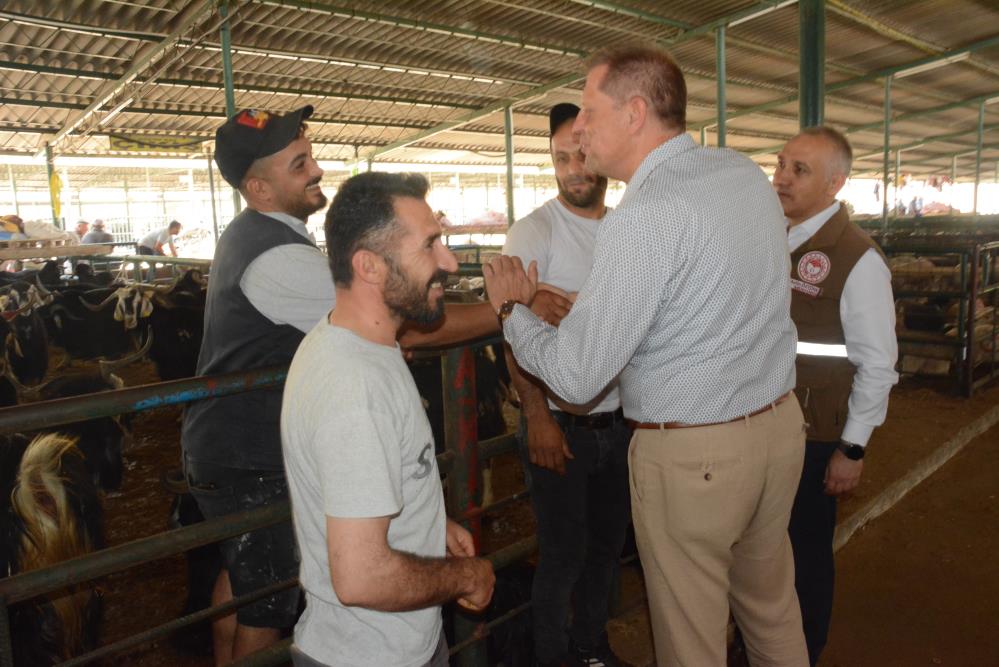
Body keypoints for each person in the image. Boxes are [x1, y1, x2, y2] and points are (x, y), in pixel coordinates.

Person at [482, 46, 808, 666]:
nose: (579, 127)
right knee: (770, 610)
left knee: (692, 639)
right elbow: (702, 293)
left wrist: (511, 313)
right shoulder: (738, 173)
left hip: (698, 457)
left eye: (589, 110)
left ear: (635, 113)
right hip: (774, 430)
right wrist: (593, 303)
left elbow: (578, 379)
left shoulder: (643, 214)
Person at [181, 106, 509, 665]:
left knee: (248, 577)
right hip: (246, 450)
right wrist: (502, 309)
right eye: (299, 164)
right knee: (270, 598)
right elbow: (411, 322)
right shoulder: (285, 266)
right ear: (258, 187)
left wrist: (428, 521)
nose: (316, 170)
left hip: (234, 440)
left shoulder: (267, 248)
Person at [281, 171, 495, 666]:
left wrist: (430, 523)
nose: (449, 261)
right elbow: (362, 577)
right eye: (430, 246)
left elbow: (363, 480)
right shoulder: (356, 388)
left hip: (391, 645)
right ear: (370, 267)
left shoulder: (362, 346)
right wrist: (466, 576)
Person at [502, 102, 630, 667]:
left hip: (623, 421)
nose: (574, 168)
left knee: (607, 548)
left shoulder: (629, 228)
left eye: (582, 154)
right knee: (563, 554)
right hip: (563, 423)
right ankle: (552, 657)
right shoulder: (534, 232)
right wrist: (538, 416)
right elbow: (513, 330)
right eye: (561, 158)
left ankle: (590, 646)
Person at [774, 127, 898, 666]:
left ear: (835, 182)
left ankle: (804, 648)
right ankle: (764, 641)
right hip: (763, 424)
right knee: (763, 547)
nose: (781, 177)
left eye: (799, 170)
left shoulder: (857, 258)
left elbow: (878, 363)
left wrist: (852, 448)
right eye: (780, 164)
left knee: (804, 550)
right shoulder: (771, 237)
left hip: (815, 433)